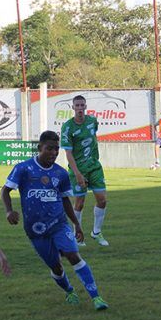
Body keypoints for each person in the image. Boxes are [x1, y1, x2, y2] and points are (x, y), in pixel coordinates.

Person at [0, 130, 108, 311]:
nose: (53, 153)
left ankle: (96, 297)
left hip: (59, 224)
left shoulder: (61, 174)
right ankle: (69, 290)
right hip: (35, 230)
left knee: (73, 255)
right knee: (56, 267)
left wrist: (76, 223)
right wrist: (9, 211)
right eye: (49, 149)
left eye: (56, 149)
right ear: (39, 148)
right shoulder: (23, 168)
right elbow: (5, 190)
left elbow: (65, 200)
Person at [60, 95, 109, 247]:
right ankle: (77, 235)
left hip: (94, 166)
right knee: (79, 203)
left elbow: (93, 137)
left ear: (85, 106)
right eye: (77, 106)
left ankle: (96, 232)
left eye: (82, 105)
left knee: (102, 200)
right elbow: (68, 153)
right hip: (78, 169)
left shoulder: (92, 121)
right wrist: (77, 174)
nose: (80, 108)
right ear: (73, 108)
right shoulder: (67, 127)